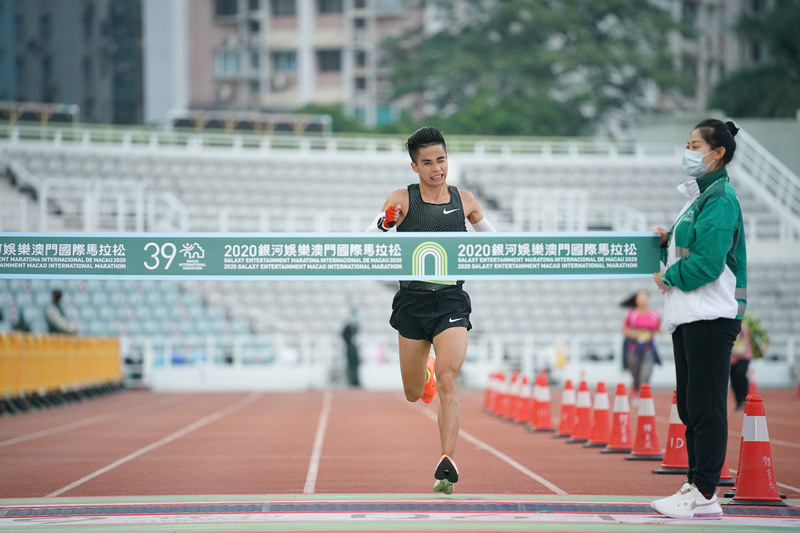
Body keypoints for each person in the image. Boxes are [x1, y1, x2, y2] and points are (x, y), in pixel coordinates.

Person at [366, 126, 496, 495]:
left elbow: (498, 246)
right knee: (413, 393)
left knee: (449, 377)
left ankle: (446, 461)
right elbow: (366, 242)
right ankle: (426, 374)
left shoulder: (466, 201)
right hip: (412, 302)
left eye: (441, 159)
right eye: (427, 163)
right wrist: (385, 223)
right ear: (414, 166)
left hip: (450, 300)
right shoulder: (401, 199)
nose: (437, 168)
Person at [650, 119, 747, 520]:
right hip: (690, 314)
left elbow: (707, 263)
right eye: (688, 144)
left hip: (710, 314)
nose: (688, 152)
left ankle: (704, 491)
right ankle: (696, 486)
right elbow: (690, 248)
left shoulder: (720, 198)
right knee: (693, 408)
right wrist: (665, 242)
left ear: (717, 153)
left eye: (695, 145)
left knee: (706, 407)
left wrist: (668, 277)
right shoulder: (699, 197)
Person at [620, 290, 662, 399]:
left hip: (648, 347)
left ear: (648, 299)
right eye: (641, 298)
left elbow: (659, 329)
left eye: (645, 298)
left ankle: (643, 394)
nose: (643, 300)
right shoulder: (632, 314)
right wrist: (633, 334)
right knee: (635, 372)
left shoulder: (654, 314)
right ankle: (636, 389)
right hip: (634, 348)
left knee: (646, 373)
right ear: (636, 300)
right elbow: (624, 329)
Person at [729, 320, 751, 411]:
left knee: (740, 374)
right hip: (731, 357)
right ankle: (739, 401)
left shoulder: (744, 327)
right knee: (734, 379)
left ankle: (745, 398)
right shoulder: (726, 326)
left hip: (743, 355)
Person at [341, 310, 361, 387]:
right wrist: (349, 340)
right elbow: (343, 336)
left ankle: (356, 381)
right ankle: (351, 381)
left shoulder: (357, 326)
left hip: (355, 348)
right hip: (349, 348)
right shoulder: (347, 327)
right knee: (350, 365)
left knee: (356, 365)